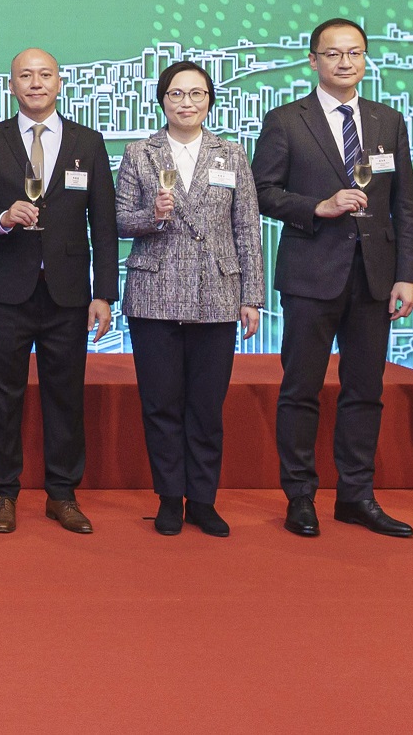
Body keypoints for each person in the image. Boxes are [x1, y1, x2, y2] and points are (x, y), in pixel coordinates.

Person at [250, 19, 413, 538]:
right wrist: (316, 206)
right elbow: (262, 192)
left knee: (365, 389)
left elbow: (404, 205)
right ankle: (300, 496)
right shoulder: (286, 120)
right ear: (313, 61)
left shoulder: (389, 120)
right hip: (311, 273)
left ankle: (356, 496)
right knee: (301, 388)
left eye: (355, 53)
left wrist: (408, 275)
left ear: (366, 59)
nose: (345, 62)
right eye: (333, 53)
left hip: (375, 276)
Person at [0, 47, 118, 535]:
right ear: (11, 86)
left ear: (59, 82)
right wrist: (2, 218)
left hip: (68, 292)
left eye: (44, 75)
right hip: (8, 289)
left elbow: (104, 224)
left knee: (65, 395)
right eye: (25, 76)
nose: (35, 83)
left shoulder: (88, 142)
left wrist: (104, 293)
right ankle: (3, 492)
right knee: (3, 394)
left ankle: (62, 494)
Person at [113, 62, 265, 536]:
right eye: (176, 93)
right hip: (154, 291)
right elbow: (118, 220)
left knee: (206, 406)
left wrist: (251, 295)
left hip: (216, 293)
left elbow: (247, 227)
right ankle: (168, 498)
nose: (187, 102)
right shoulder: (139, 152)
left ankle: (202, 499)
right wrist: (151, 215)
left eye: (197, 93)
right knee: (160, 404)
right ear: (162, 100)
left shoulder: (231, 154)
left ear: (210, 101)